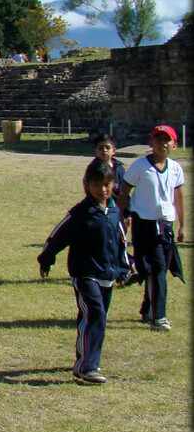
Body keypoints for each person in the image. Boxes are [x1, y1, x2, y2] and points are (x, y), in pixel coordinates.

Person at [37, 160, 130, 384]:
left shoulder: (114, 211)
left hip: (107, 274)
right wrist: (46, 259)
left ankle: (87, 358)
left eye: (107, 184)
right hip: (85, 273)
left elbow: (121, 242)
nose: (103, 190)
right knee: (95, 313)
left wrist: (124, 268)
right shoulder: (81, 213)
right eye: (97, 185)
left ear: (113, 184)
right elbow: (58, 236)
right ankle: (86, 368)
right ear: (87, 185)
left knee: (96, 318)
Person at [117, 125, 185, 331]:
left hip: (166, 225)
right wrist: (121, 217)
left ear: (174, 145)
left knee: (157, 270)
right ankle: (159, 316)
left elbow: (178, 196)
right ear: (151, 143)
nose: (162, 144)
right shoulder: (140, 166)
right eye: (158, 140)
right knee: (156, 269)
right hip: (145, 224)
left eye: (167, 140)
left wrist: (183, 224)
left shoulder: (175, 168)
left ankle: (148, 309)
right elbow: (124, 192)